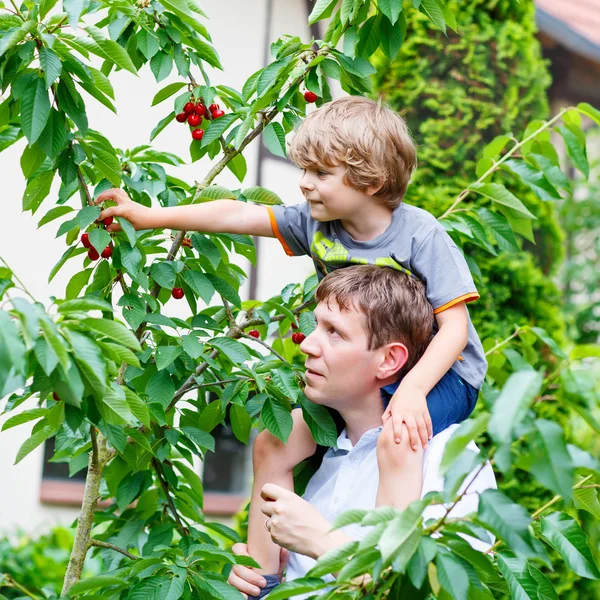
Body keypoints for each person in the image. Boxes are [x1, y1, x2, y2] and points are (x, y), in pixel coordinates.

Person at [95, 95, 487, 579]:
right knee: (273, 443)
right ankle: (262, 580)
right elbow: (238, 215)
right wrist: (151, 216)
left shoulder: (420, 235)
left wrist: (411, 393)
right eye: (305, 169)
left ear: (371, 182)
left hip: (442, 373)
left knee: (397, 438)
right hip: (375, 373)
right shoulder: (317, 221)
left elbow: (455, 330)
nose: (304, 183)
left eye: (321, 173)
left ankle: (384, 568)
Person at [226, 266, 496, 599]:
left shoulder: (448, 458)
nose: (308, 344)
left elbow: (446, 591)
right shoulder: (324, 455)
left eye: (334, 332)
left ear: (388, 360)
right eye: (315, 326)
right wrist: (257, 586)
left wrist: (321, 542)